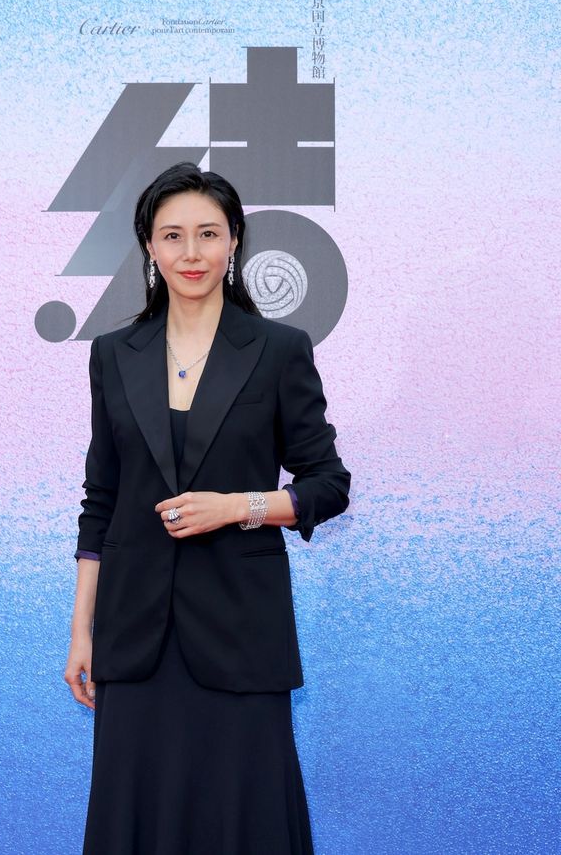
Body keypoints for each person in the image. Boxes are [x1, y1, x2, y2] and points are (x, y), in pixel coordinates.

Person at [64, 161, 351, 854]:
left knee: (244, 816)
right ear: (149, 246)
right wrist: (81, 630)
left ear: (234, 241)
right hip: (134, 633)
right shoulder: (113, 354)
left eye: (208, 234)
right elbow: (101, 501)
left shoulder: (278, 350)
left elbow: (327, 483)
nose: (191, 253)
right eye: (172, 236)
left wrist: (237, 506)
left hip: (240, 631)